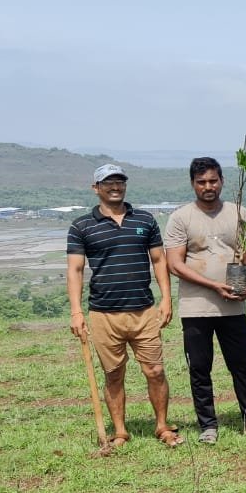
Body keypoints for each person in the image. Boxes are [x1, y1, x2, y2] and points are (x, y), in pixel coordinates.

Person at [67, 163, 180, 448]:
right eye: (108, 183)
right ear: (96, 188)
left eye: (119, 182)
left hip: (143, 310)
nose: (115, 187)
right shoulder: (81, 226)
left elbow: (158, 261)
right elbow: (76, 270)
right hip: (104, 313)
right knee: (113, 374)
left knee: (155, 371)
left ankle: (163, 426)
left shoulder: (145, 219)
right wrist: (76, 312)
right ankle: (119, 432)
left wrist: (166, 299)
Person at [163, 157, 246, 443]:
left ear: (222, 181)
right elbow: (175, 264)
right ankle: (208, 424)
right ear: (193, 184)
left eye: (213, 180)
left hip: (233, 305)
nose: (208, 186)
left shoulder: (239, 212)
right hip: (196, 307)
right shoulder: (181, 217)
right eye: (201, 182)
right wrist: (213, 285)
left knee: (242, 364)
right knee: (199, 366)